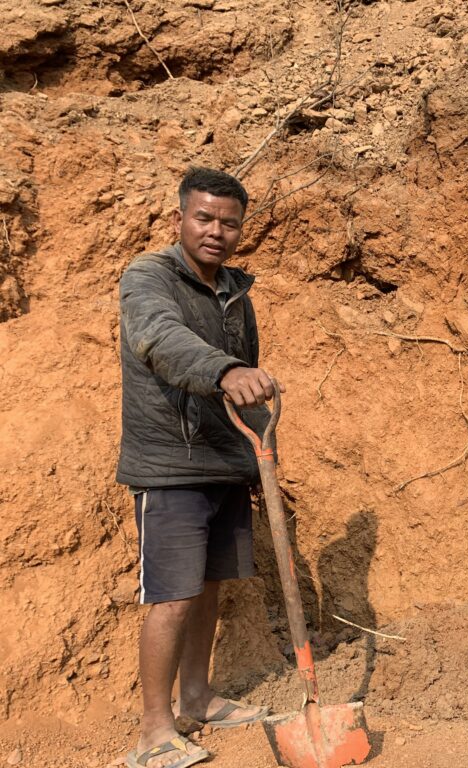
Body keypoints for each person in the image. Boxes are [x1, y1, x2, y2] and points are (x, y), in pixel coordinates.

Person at [117, 166, 281, 768]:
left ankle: (198, 697)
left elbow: (247, 378)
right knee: (173, 597)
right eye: (204, 218)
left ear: (241, 229)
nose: (216, 230)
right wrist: (226, 371)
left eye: (229, 222)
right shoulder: (147, 278)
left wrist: (259, 447)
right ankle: (153, 732)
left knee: (210, 588)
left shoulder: (236, 290)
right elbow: (161, 340)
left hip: (225, 460)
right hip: (169, 464)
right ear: (181, 219)